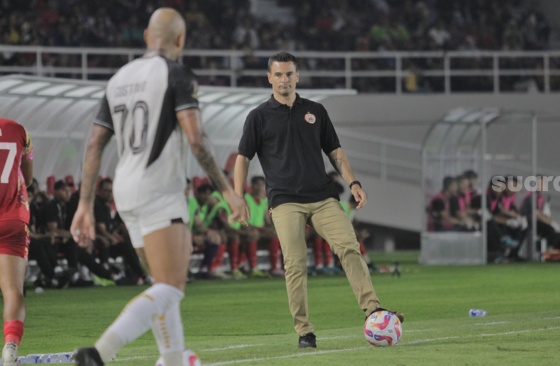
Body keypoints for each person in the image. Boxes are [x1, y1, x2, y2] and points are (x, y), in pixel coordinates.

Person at [70, 8, 247, 365]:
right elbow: (197, 140)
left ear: (147, 35)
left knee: (161, 287)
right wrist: (228, 192)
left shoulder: (118, 78)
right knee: (170, 288)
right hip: (159, 189)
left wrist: (84, 204)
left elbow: (93, 145)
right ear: (180, 40)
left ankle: (173, 360)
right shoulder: (177, 74)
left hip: (125, 188)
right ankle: (98, 353)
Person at [233, 51, 402, 349]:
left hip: (324, 197)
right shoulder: (258, 117)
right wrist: (238, 196)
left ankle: (374, 311)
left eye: (289, 74)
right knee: (295, 264)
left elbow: (335, 152)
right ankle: (304, 331)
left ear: (297, 76)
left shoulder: (316, 111)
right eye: (279, 74)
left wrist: (354, 182)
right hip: (285, 201)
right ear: (269, 78)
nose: (284, 79)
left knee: (350, 248)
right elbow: (243, 158)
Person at [0, 118, 33, 366]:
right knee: (12, 291)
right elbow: (29, 179)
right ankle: (10, 347)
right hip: (12, 219)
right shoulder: (19, 130)